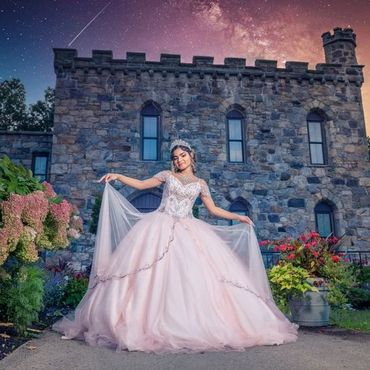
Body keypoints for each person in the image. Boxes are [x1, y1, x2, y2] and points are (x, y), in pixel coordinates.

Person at [53, 139, 298, 353]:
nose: (179, 160)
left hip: (189, 230)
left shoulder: (201, 183)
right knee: (148, 277)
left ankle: (191, 323)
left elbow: (212, 210)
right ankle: (140, 323)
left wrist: (239, 217)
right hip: (159, 226)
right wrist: (118, 176)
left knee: (192, 278)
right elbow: (141, 184)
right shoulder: (166, 176)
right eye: (175, 157)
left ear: (192, 156)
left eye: (183, 155)